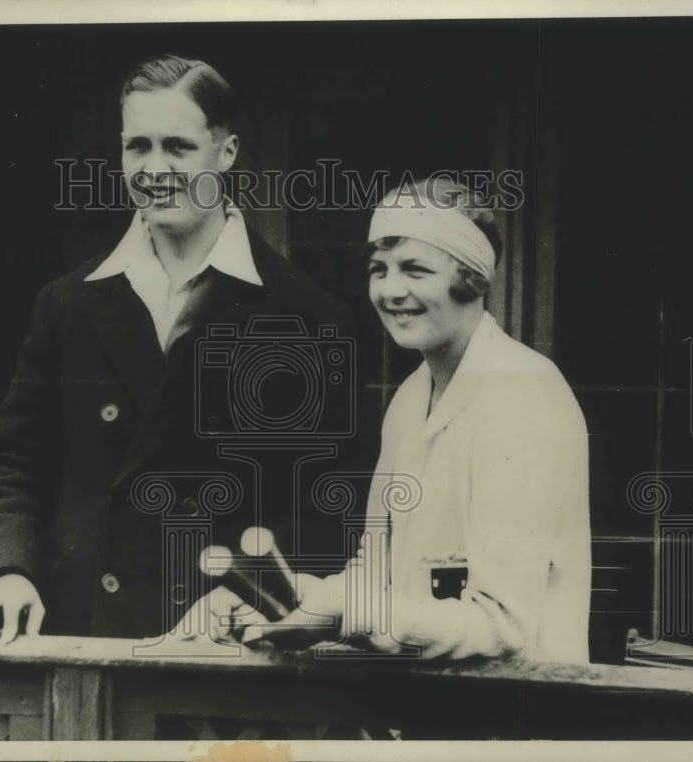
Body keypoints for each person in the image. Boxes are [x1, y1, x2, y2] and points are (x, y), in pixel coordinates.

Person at [0, 54, 360, 643]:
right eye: (137, 146)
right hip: (80, 636)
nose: (155, 169)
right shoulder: (69, 303)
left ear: (225, 153)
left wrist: (242, 592)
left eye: (177, 147)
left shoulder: (301, 313)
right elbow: (12, 466)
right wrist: (5, 569)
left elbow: (331, 497)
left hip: (222, 645)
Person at [240, 177, 592, 663]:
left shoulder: (522, 393)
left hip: (521, 717)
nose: (390, 290)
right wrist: (284, 598)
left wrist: (347, 613)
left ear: (473, 278)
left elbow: (503, 626)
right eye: (378, 269)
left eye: (415, 269)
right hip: (423, 712)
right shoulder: (410, 398)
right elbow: (376, 571)